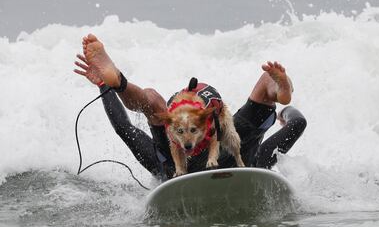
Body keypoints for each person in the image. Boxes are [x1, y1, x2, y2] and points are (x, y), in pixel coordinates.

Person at [73, 34, 307, 181]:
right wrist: (284, 113)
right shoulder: (260, 159)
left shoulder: (160, 162)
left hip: (178, 170)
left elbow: (123, 127)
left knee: (152, 102)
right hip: (240, 157)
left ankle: (121, 83)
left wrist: (105, 86)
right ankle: (278, 88)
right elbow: (298, 122)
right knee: (267, 83)